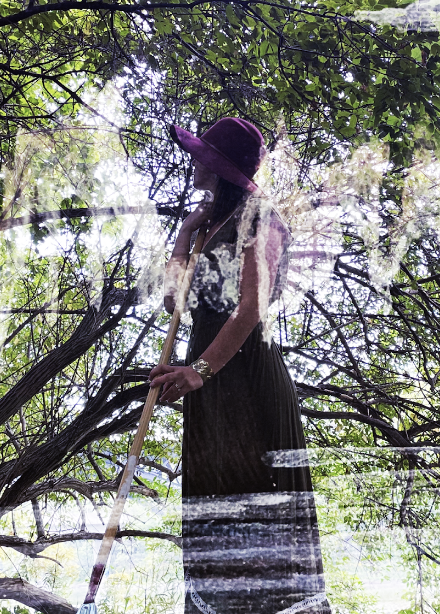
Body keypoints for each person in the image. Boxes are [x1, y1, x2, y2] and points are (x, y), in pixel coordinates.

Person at [150, 118, 332, 614]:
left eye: (203, 155)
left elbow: (251, 306)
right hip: (209, 372)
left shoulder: (259, 216)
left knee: (255, 492)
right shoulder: (209, 225)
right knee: (214, 496)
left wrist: (199, 371)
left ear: (220, 167)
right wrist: (185, 234)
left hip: (245, 370)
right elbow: (173, 303)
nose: (193, 161)